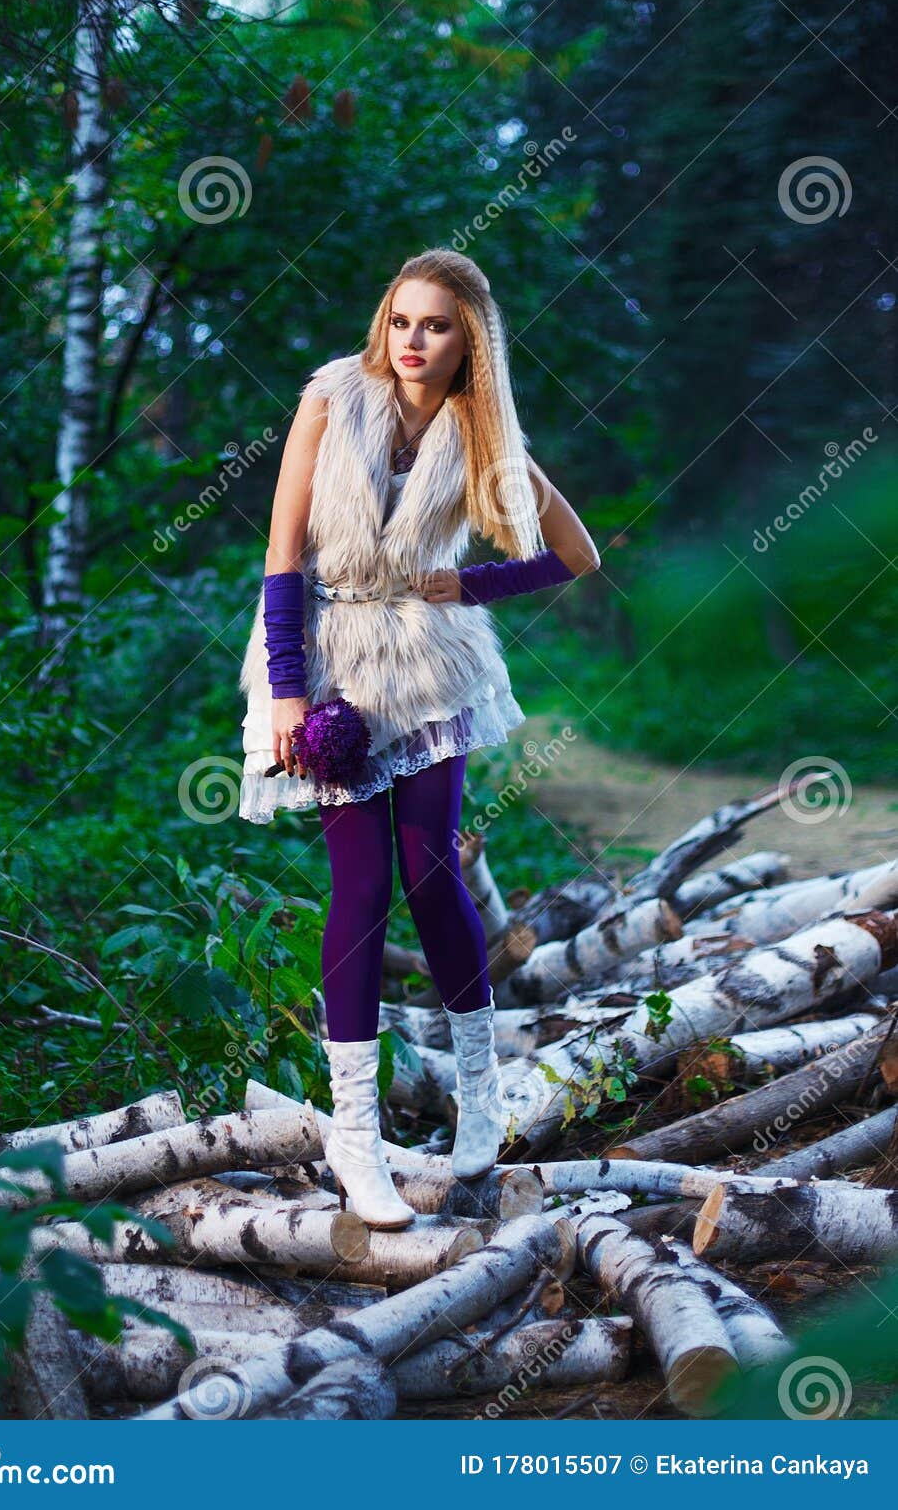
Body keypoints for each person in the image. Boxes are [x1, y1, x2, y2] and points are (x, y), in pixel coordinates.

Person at [237, 248, 601, 1228]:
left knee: (431, 868)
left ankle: (480, 1098)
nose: (411, 341)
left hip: (432, 662)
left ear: (466, 339)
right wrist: (281, 692)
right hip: (332, 664)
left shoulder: (483, 433)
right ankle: (354, 1138)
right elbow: (280, 555)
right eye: (400, 320)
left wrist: (468, 583)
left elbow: (575, 553)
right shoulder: (329, 398)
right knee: (358, 889)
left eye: (434, 325)